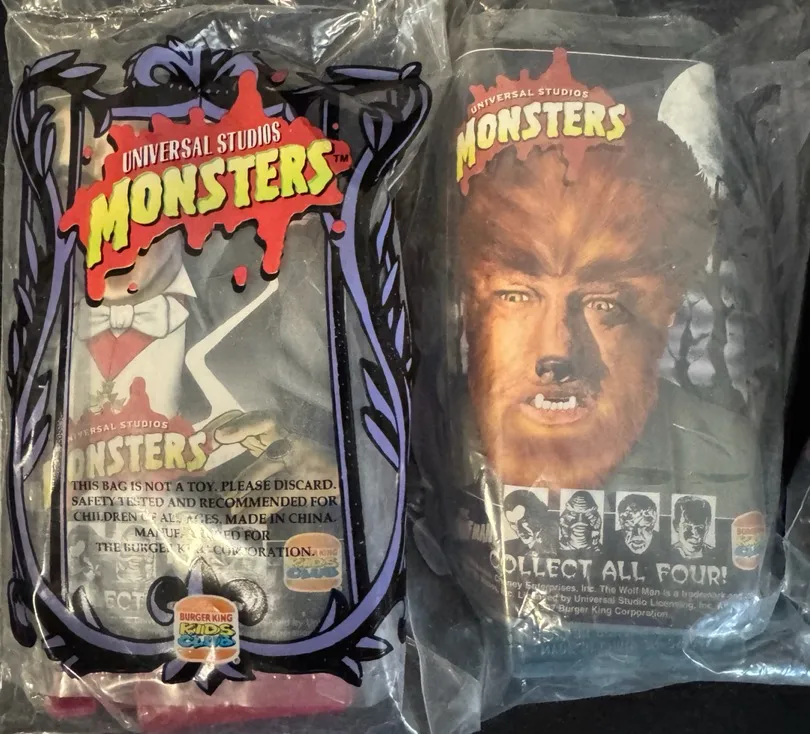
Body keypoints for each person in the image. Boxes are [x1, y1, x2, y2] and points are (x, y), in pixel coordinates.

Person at [458, 124, 760, 519]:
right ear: (468, 306)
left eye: (603, 304)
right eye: (516, 296)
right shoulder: (420, 439)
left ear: (666, 311)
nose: (556, 351)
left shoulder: (725, 462)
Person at [502, 489, 556, 556]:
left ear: (537, 518)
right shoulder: (506, 547)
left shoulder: (555, 546)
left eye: (523, 521)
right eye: (513, 524)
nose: (519, 530)